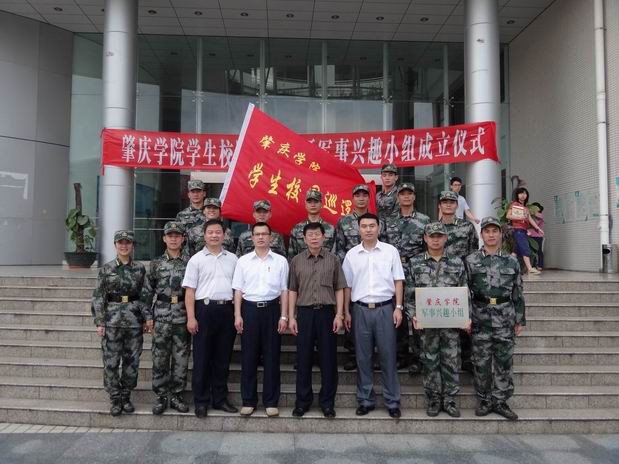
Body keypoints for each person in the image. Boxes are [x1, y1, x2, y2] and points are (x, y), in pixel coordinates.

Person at [342, 213, 404, 419]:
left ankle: (392, 401)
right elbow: (347, 286)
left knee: (388, 356)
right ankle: (365, 400)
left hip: (385, 309)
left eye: (372, 226)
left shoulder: (390, 251)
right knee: (363, 357)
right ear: (358, 229)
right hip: (360, 310)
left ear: (379, 228)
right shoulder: (351, 255)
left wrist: (398, 307)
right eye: (364, 226)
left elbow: (398, 281)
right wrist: (346, 311)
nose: (368, 229)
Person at [406, 222, 470, 418]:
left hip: (450, 323)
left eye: (439, 236)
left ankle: (449, 400)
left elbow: (464, 291)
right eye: (432, 236)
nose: (435, 240)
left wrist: (466, 317)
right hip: (426, 324)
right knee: (430, 361)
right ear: (425, 238)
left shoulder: (457, 262)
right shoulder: (415, 263)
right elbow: (409, 294)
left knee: (451, 361)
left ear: (445, 238)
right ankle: (434, 399)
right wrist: (413, 314)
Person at [465, 217, 526, 421]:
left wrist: (519, 319)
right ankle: (484, 400)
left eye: (494, 231)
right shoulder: (471, 260)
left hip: (505, 317)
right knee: (481, 362)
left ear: (500, 234)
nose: (491, 235)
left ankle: (500, 401)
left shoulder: (511, 261)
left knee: (504, 362)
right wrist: (466, 317)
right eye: (487, 231)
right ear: (481, 234)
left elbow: (518, 291)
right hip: (480, 316)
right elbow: (465, 291)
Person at [288, 222, 347, 418]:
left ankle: (327, 403)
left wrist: (339, 314)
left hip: (326, 314)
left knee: (328, 359)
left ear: (324, 237)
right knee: (303, 358)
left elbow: (339, 288)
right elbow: (292, 290)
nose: (314, 238)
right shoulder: (296, 261)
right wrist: (291, 316)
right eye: (310, 235)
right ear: (304, 239)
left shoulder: (333, 260)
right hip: (304, 314)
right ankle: (302, 402)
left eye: (317, 234)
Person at [183, 219, 239, 418]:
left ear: (224, 235)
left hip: (227, 311)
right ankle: (201, 401)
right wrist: (191, 317)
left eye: (218, 232)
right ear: (204, 235)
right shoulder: (196, 260)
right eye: (210, 232)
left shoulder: (233, 259)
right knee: (202, 358)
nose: (214, 235)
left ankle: (220, 399)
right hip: (204, 311)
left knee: (223, 358)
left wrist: (237, 314)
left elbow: (238, 289)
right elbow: (190, 291)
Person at [91, 230, 151, 416]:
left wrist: (147, 318)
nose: (124, 246)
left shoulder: (140, 269)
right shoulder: (107, 269)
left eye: (128, 243)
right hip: (112, 321)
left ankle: (126, 396)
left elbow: (145, 295)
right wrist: (100, 322)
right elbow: (99, 297)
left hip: (134, 321)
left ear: (132, 245)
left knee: (132, 362)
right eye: (121, 243)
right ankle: (115, 398)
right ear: (115, 245)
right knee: (111, 362)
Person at [232, 222, 289, 417]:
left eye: (265, 234)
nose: (261, 237)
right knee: (249, 357)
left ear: (271, 238)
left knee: (272, 356)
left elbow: (284, 290)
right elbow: (238, 290)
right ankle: (248, 400)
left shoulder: (281, 261)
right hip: (249, 310)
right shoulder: (243, 261)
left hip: (272, 310)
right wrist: (237, 315)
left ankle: (271, 401)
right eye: (257, 234)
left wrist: (284, 316)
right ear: (252, 238)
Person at [141, 221, 190, 415]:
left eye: (177, 236)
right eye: (170, 236)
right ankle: (161, 397)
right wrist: (147, 316)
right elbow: (147, 292)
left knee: (181, 359)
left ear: (183, 239)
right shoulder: (156, 263)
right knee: (160, 359)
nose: (174, 239)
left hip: (183, 316)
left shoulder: (190, 262)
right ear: (164, 238)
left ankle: (177, 396)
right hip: (161, 317)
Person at [380, 183, 430, 374]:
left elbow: (429, 247)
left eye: (410, 193)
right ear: (398, 197)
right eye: (403, 194)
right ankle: (400, 356)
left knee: (418, 315)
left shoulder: (424, 220)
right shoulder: (388, 221)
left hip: (418, 271)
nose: (406, 196)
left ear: (414, 197)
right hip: (394, 272)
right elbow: (383, 247)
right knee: (397, 314)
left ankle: (418, 357)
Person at [439, 190, 479, 372]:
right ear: (440, 205)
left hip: (461, 279)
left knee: (464, 318)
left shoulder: (467, 227)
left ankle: (467, 358)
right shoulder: (433, 227)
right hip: (439, 279)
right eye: (445, 202)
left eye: (452, 202)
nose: (448, 204)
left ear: (457, 205)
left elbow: (473, 252)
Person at [335, 183, 371, 371]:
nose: (361, 198)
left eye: (365, 195)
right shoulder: (344, 221)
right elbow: (339, 248)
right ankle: (352, 353)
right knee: (350, 311)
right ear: (353, 198)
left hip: (371, 272)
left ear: (369, 198)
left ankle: (371, 354)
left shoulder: (376, 220)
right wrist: (344, 271)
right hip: (351, 273)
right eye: (358, 195)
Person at [288, 190, 336, 258]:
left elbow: (334, 255)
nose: (313, 205)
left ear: (321, 204)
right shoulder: (297, 229)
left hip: (326, 264)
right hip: (302, 264)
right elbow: (292, 256)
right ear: (305, 204)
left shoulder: (331, 229)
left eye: (316, 202)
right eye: (309, 202)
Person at [507, 187, 544, 274]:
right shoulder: (514, 204)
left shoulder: (526, 208)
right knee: (525, 248)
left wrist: (538, 228)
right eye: (521, 193)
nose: (523, 195)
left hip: (523, 230)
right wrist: (519, 217)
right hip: (518, 230)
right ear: (517, 195)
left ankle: (506, 266)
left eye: (525, 193)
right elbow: (508, 216)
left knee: (516, 251)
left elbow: (530, 219)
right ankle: (530, 268)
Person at [176, 179, 206, 257]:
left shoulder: (210, 213)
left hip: (207, 253)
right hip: (187, 255)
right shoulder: (181, 215)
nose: (196, 194)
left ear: (204, 194)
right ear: (188, 195)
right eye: (193, 192)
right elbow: (178, 236)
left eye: (198, 191)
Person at [528, 202, 545, 271]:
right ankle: (533, 265)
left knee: (539, 251)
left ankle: (540, 265)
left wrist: (530, 213)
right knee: (532, 251)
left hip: (537, 236)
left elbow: (535, 223)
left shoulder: (540, 215)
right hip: (530, 236)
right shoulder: (531, 215)